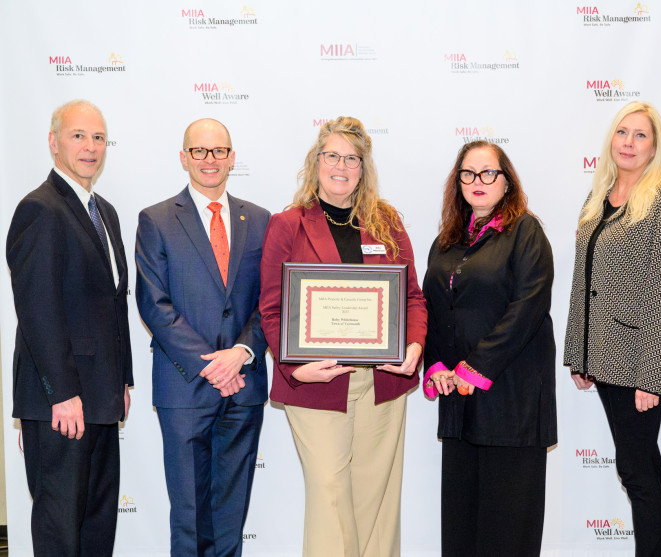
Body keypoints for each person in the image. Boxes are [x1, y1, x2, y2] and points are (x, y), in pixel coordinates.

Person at [260, 116, 427, 557]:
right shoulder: (287, 225)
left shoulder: (386, 222)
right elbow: (272, 310)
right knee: (331, 497)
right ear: (316, 162)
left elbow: (412, 296)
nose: (341, 166)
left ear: (363, 168)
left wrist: (413, 345)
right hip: (317, 384)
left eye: (352, 158)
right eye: (332, 155)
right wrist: (297, 366)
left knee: (375, 500)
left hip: (381, 383)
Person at [135, 118, 270, 556]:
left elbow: (269, 302)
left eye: (218, 151)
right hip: (185, 386)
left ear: (232, 157)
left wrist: (241, 354)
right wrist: (213, 365)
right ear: (183, 157)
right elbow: (154, 305)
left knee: (232, 514)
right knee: (191, 516)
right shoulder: (156, 220)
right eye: (199, 151)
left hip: (244, 387)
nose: (209, 160)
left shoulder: (262, 220)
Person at [6, 99, 132, 556]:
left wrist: (122, 381)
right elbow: (38, 310)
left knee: (97, 526)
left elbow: (114, 305)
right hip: (62, 402)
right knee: (61, 531)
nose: (90, 147)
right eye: (79, 136)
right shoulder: (40, 209)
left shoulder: (106, 213)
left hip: (100, 399)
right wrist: (62, 393)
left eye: (98, 137)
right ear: (54, 142)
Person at [564, 101, 661, 557]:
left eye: (640, 135)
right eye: (623, 133)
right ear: (611, 140)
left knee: (638, 470)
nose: (630, 143)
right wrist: (579, 353)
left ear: (655, 146)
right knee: (636, 467)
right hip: (603, 357)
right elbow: (584, 278)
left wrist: (651, 378)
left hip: (638, 363)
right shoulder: (599, 195)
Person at [422, 140, 556, 556]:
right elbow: (434, 310)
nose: (477, 182)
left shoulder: (525, 231)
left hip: (511, 405)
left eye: (488, 173)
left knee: (507, 532)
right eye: (467, 173)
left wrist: (473, 368)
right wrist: (440, 366)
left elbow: (527, 309)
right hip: (461, 407)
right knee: (462, 528)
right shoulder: (447, 240)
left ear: (506, 181)